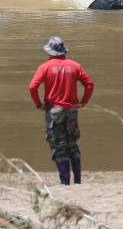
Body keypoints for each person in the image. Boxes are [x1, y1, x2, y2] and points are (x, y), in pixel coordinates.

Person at [28, 36, 95, 185]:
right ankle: (77, 181)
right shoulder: (75, 65)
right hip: (72, 110)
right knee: (72, 144)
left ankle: (65, 183)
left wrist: (39, 105)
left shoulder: (45, 67)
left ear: (50, 52)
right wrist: (83, 102)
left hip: (54, 111)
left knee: (58, 146)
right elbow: (89, 84)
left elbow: (32, 87)